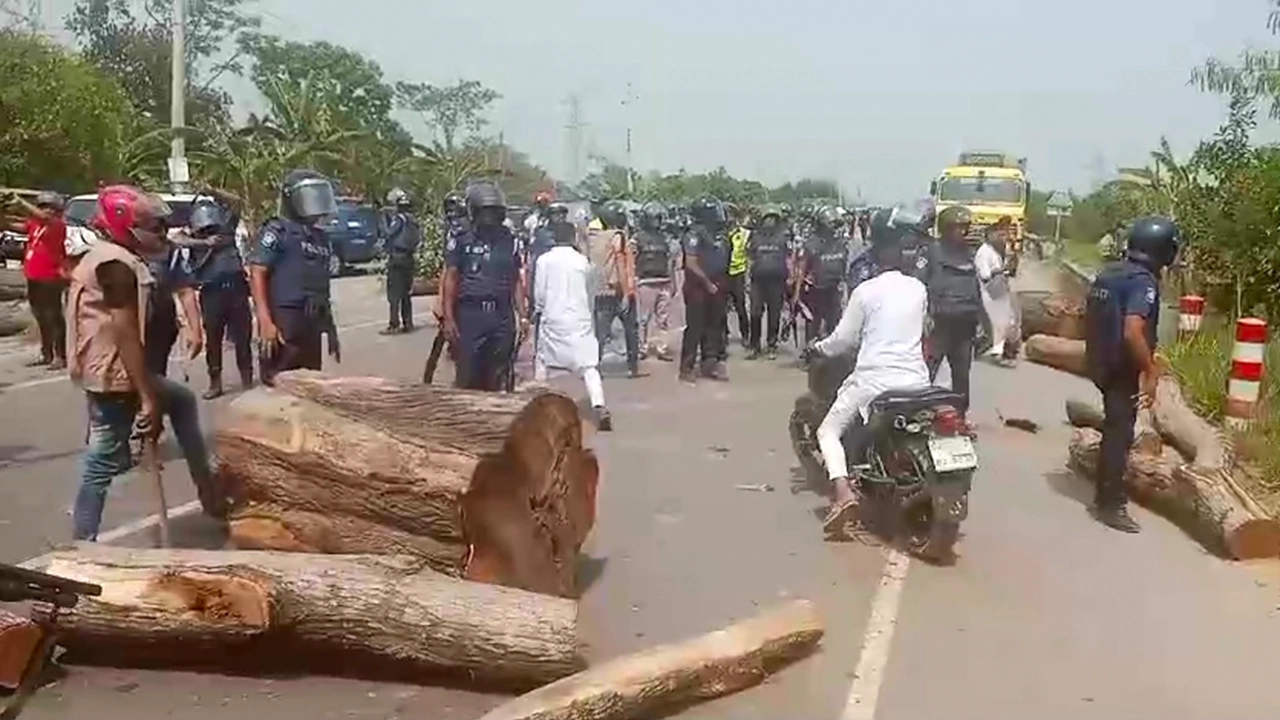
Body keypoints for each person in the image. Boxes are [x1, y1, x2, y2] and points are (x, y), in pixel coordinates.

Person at [66, 186, 221, 540]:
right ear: (125, 227)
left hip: (112, 368)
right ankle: (82, 543)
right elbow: (124, 332)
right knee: (103, 458)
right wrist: (146, 395)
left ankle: (210, 495)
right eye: (154, 227)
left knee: (182, 402)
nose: (162, 234)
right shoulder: (116, 265)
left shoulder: (109, 256)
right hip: (115, 373)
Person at [807, 211, 931, 538]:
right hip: (917, 381)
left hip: (875, 380)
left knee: (828, 431)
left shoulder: (865, 291)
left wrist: (818, 347)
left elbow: (842, 341)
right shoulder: (918, 289)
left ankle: (843, 493)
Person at [1085, 216, 1179, 533]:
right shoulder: (1143, 282)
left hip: (1099, 360)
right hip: (1120, 366)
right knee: (1119, 433)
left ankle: (1104, 490)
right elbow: (1132, 329)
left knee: (1114, 425)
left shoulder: (1109, 272)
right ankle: (1110, 504)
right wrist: (1150, 372)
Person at [249, 169, 342, 385]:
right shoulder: (277, 231)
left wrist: (330, 328)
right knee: (279, 382)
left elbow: (320, 285)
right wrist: (265, 320)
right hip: (285, 319)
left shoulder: (320, 237)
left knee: (310, 383)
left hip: (312, 319)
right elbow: (257, 272)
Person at [441, 182, 530, 391]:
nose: (488, 218)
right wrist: (448, 317)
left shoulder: (509, 240)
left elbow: (515, 279)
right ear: (474, 212)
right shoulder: (461, 239)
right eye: (484, 212)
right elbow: (450, 279)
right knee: (468, 373)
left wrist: (523, 316)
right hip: (471, 315)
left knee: (500, 373)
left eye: (493, 212)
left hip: (502, 316)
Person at [534, 219, 613, 430]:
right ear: (573, 238)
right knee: (589, 366)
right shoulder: (582, 262)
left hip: (553, 317)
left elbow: (539, 294)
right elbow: (590, 293)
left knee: (543, 362)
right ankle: (599, 405)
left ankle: (539, 408)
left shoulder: (544, 261)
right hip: (580, 318)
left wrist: (538, 310)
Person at [185, 194, 253, 398]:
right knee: (213, 340)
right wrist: (204, 243)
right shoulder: (194, 238)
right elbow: (174, 240)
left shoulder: (227, 228)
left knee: (243, 338)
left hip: (236, 288)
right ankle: (215, 382)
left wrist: (214, 191)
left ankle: (247, 379)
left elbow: (238, 202)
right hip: (211, 292)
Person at [919, 205, 982, 414]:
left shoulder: (971, 254)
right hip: (938, 323)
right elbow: (919, 284)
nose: (962, 232)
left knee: (962, 375)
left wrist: (983, 320)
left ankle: (961, 416)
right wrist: (924, 314)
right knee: (927, 371)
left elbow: (979, 288)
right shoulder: (931, 251)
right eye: (957, 227)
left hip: (965, 325)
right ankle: (919, 413)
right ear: (945, 228)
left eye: (965, 227)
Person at [4, 191, 68, 369]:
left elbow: (39, 216)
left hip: (51, 277)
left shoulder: (57, 224)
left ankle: (60, 356)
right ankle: (46, 353)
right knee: (40, 317)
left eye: (49, 207)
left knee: (53, 316)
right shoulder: (36, 225)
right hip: (34, 276)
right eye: (42, 206)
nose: (45, 210)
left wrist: (20, 202)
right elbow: (14, 226)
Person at [586, 201, 643, 377]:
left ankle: (594, 367)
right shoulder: (618, 237)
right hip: (619, 289)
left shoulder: (594, 237)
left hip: (602, 291)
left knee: (600, 334)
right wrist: (626, 293)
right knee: (631, 330)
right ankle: (632, 367)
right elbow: (620, 265)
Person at [679, 196, 731, 383]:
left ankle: (710, 364)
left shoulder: (721, 234)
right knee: (695, 327)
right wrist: (707, 283)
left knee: (715, 326)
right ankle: (687, 368)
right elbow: (691, 263)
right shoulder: (693, 234)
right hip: (698, 286)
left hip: (718, 283)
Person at [795, 205, 848, 345]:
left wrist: (844, 289)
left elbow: (844, 267)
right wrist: (796, 295)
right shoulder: (811, 244)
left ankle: (832, 354)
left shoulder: (840, 243)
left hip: (834, 289)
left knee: (834, 323)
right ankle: (809, 353)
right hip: (815, 290)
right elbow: (802, 269)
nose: (834, 227)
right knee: (813, 323)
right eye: (831, 223)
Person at [631, 201, 677, 361]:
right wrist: (632, 280)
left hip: (663, 281)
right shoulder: (637, 238)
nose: (658, 222)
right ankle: (641, 348)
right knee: (643, 318)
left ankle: (662, 348)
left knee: (663, 318)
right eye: (655, 218)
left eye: (659, 218)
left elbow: (671, 260)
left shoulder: (666, 238)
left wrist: (673, 282)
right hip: (646, 282)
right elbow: (631, 258)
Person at [745, 204, 791, 360]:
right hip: (757, 281)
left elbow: (789, 258)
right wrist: (746, 278)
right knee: (755, 313)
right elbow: (749, 258)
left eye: (773, 218)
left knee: (774, 315)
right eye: (767, 218)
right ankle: (754, 346)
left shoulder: (784, 237)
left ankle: (771, 345)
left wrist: (790, 278)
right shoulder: (755, 236)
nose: (770, 221)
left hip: (777, 281)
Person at [381, 187, 422, 335]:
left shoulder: (400, 219)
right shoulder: (414, 221)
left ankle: (394, 324)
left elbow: (389, 233)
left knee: (394, 294)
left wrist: (383, 220)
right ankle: (408, 323)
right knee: (406, 293)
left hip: (397, 258)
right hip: (409, 258)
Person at [974, 222, 1016, 364]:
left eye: (1004, 235)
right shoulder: (983, 252)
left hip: (997, 291)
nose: (1003, 238)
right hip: (988, 293)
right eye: (1000, 235)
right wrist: (1001, 271)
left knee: (1002, 323)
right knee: (997, 325)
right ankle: (997, 354)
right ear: (990, 236)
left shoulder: (995, 251)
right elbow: (985, 275)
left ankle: (999, 352)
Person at [723, 203, 751, 352]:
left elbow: (749, 256)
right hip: (722, 273)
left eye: (731, 215)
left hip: (738, 273)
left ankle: (745, 335)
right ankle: (724, 334)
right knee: (721, 308)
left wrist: (747, 278)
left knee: (740, 306)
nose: (729, 219)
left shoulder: (745, 234)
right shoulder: (720, 234)